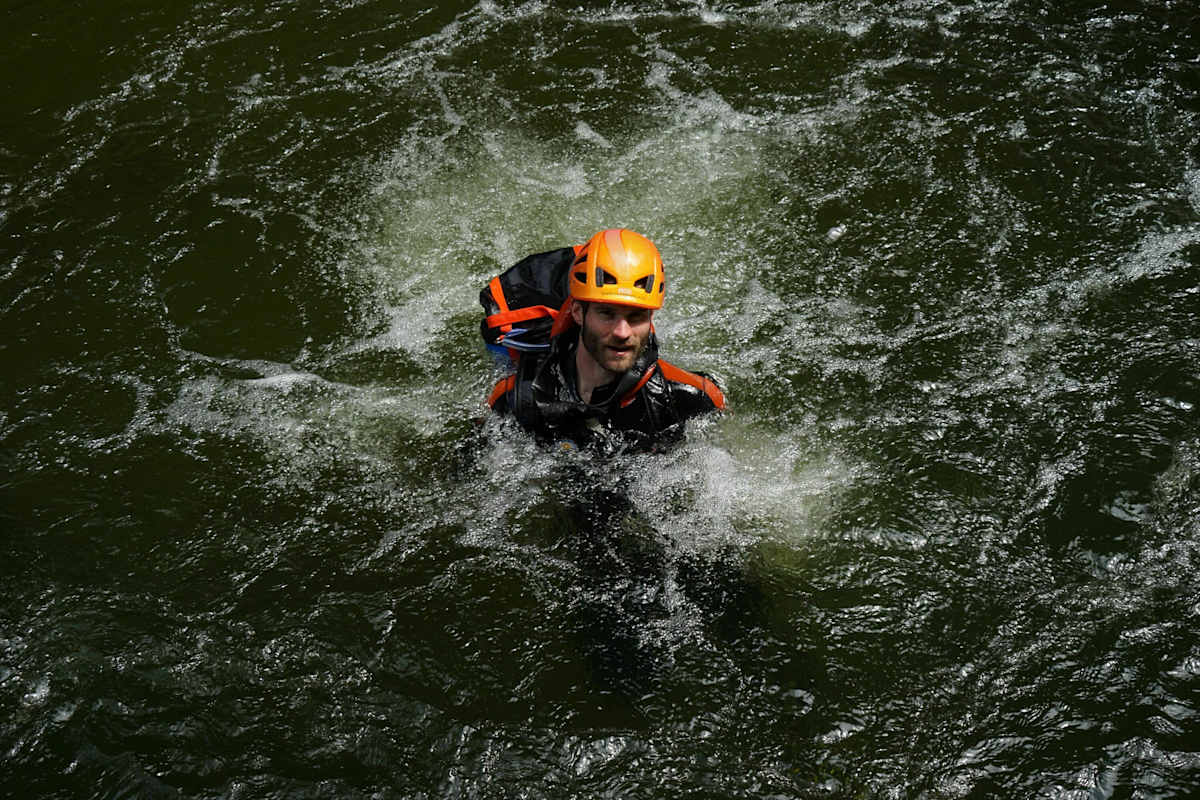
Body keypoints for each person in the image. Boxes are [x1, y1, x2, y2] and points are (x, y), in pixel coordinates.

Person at [485, 228, 725, 453]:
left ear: (650, 318)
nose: (622, 332)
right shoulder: (516, 399)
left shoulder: (692, 399)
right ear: (578, 312)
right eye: (607, 314)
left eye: (636, 316)